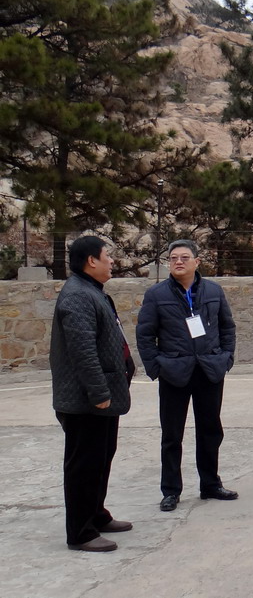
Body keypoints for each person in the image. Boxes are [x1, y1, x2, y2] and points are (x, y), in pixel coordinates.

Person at [136, 239, 238, 512]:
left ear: (197, 262)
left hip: (209, 370)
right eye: (173, 258)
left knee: (210, 430)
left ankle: (210, 484)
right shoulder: (156, 295)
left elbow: (227, 327)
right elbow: (145, 335)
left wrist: (225, 358)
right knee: (172, 435)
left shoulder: (214, 291)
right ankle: (171, 491)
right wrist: (156, 367)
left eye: (184, 257)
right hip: (174, 372)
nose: (178, 262)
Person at [51, 236, 135, 552]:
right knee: (84, 465)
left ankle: (96, 515)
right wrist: (99, 392)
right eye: (106, 255)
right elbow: (83, 351)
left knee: (100, 459)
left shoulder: (92, 291)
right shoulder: (77, 296)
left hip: (102, 397)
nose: (111, 261)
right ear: (91, 261)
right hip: (86, 401)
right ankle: (81, 533)